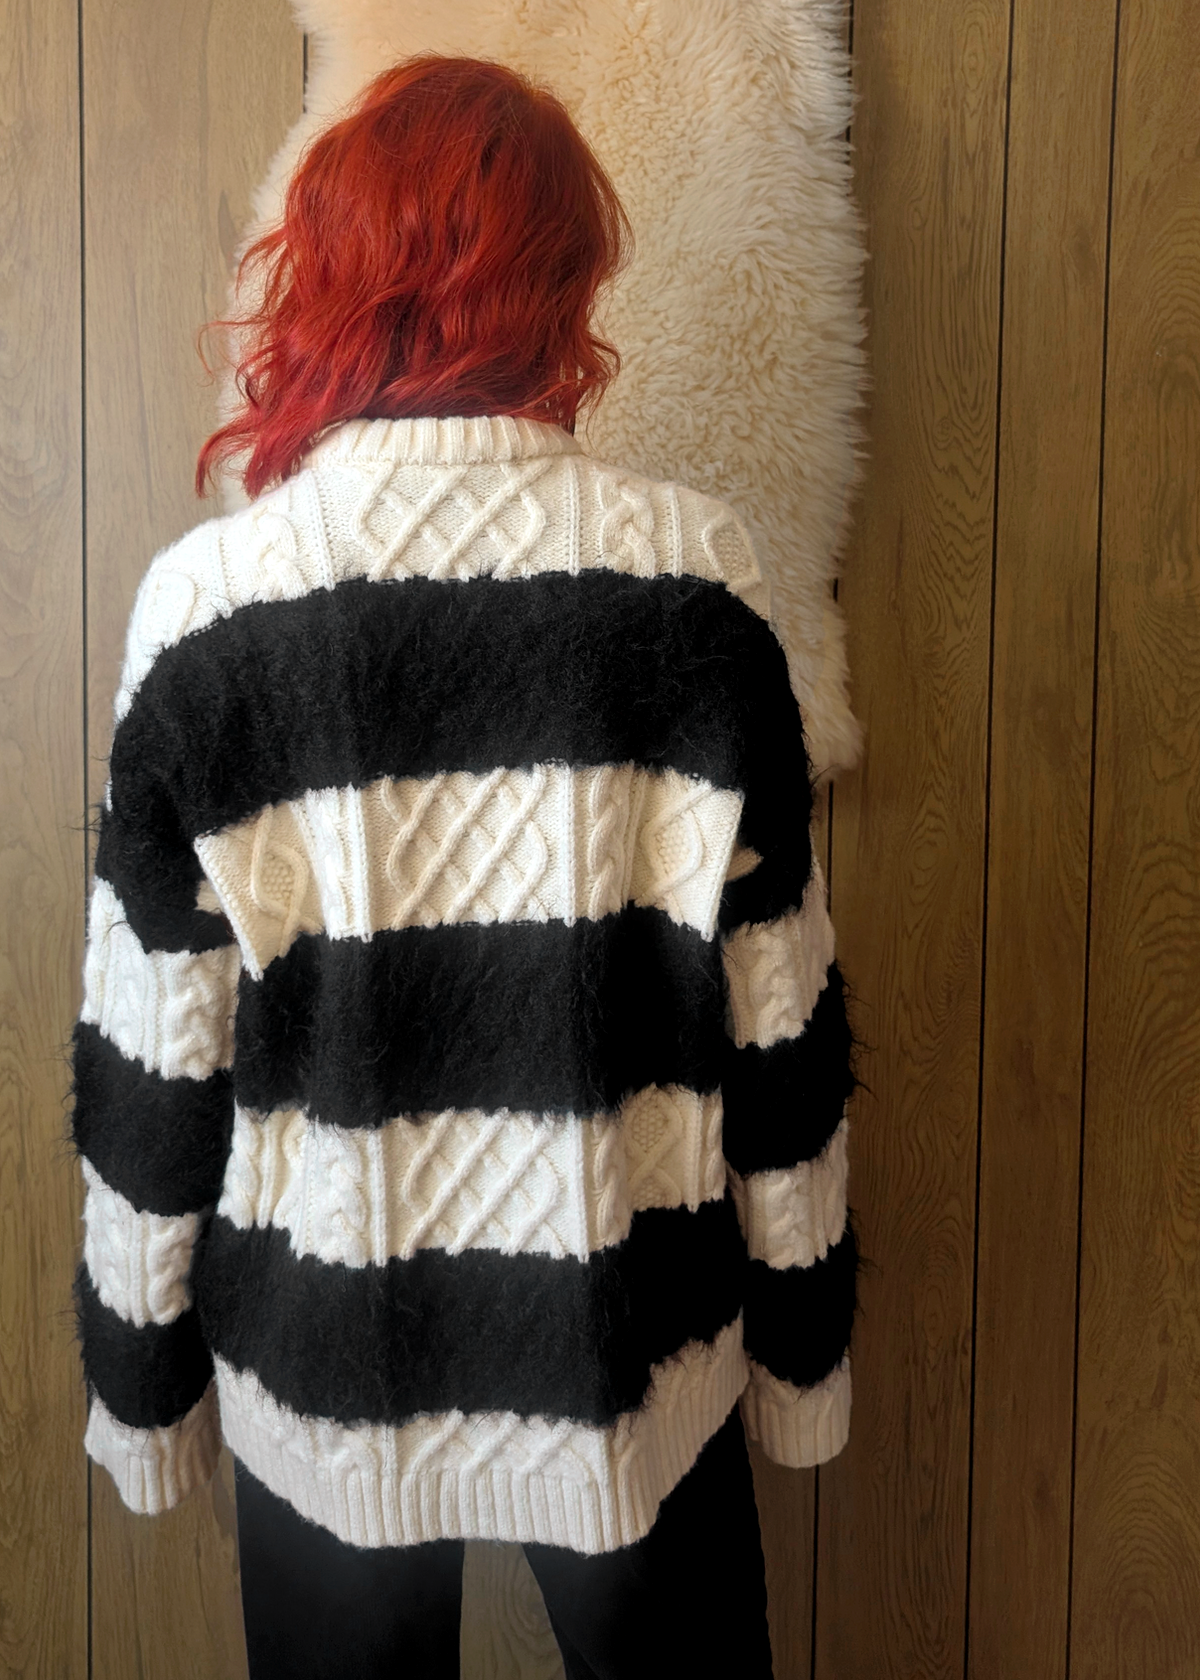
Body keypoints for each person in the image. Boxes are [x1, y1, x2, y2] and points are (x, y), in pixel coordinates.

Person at [68, 54, 861, 1680]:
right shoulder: (696, 585)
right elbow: (778, 1022)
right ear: (567, 284)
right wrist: (799, 1347)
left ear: (327, 271)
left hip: (324, 1364)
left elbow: (158, 1046)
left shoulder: (212, 609)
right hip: (634, 1352)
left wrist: (141, 1380)